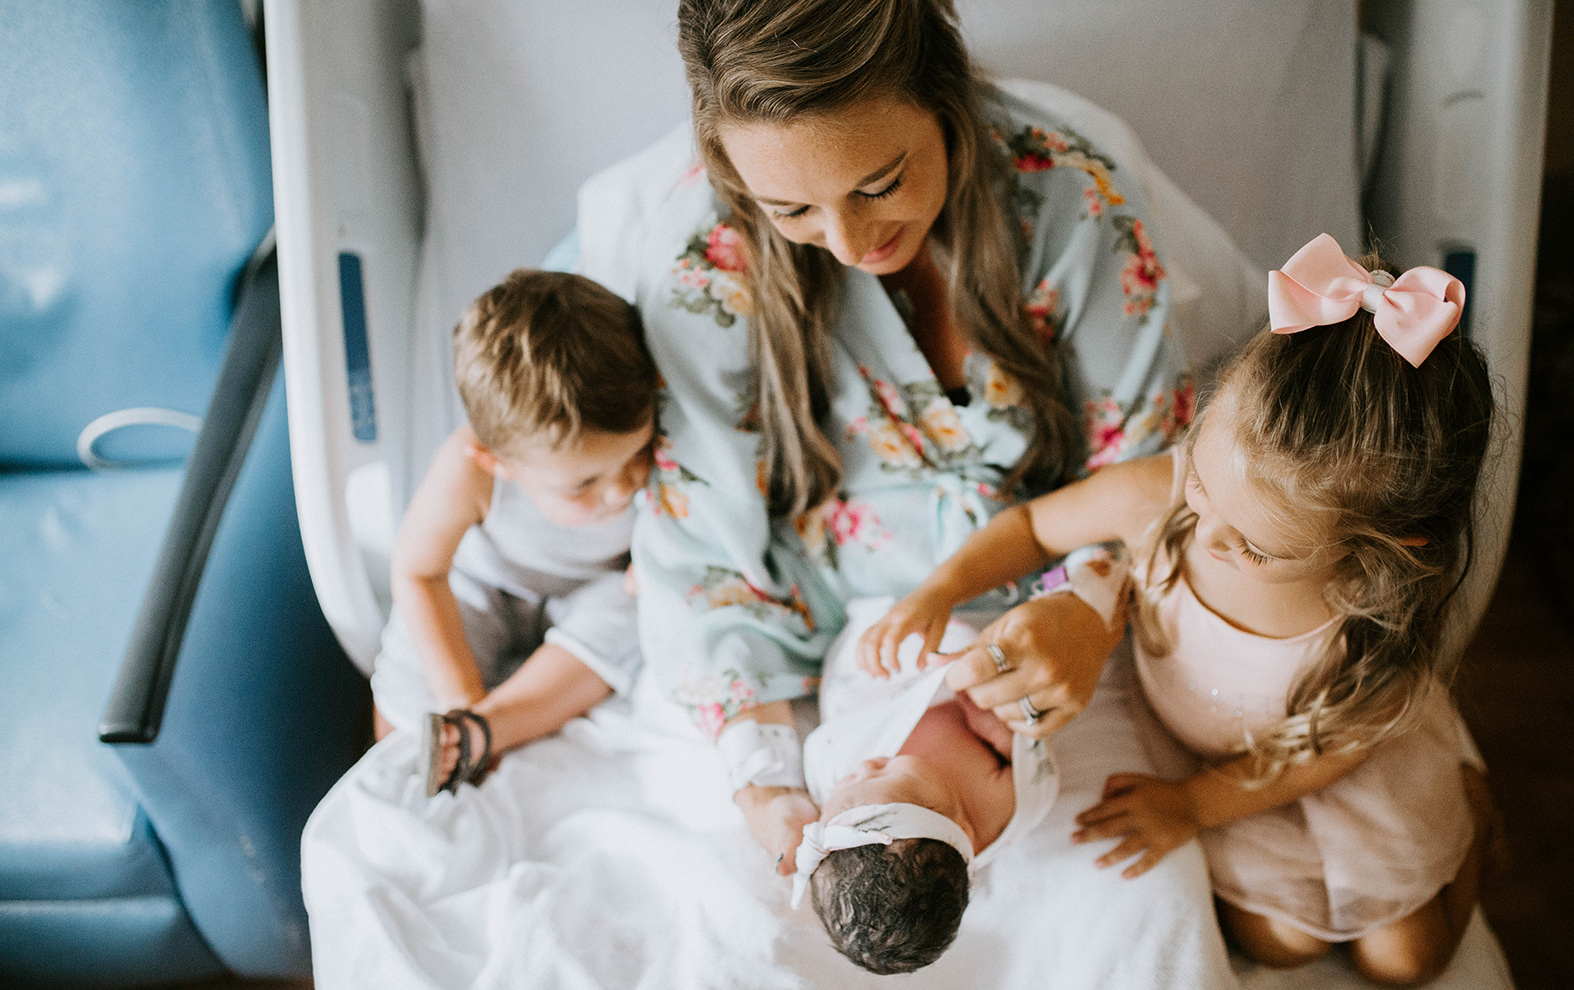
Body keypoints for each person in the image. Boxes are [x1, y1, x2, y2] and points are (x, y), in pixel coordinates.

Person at [621, 0, 1194, 874]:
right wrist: (766, 783)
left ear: (946, 99)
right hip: (822, 608)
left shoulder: (1073, 201)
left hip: (1049, 574)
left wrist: (1092, 603)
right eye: (792, 210)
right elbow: (701, 551)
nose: (848, 243)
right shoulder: (701, 267)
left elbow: (1151, 466)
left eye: (879, 184)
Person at [861, 234, 1498, 987]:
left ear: (1382, 547)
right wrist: (942, 589)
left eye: (1256, 548)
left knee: (1403, 958)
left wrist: (1193, 804)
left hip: (1302, 761)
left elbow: (1322, 757)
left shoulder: (1373, 614)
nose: (1208, 532)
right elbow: (1033, 528)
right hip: (1213, 747)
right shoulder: (1157, 496)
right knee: (1277, 939)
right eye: (1199, 483)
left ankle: (1475, 811)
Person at [372, 269, 657, 796]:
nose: (622, 491)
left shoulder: (652, 443)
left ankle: (494, 727)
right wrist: (459, 694)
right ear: (498, 462)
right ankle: (449, 733)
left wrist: (654, 557)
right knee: (409, 681)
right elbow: (417, 572)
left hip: (588, 594)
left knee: (637, 611)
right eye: (585, 484)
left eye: (638, 454)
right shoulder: (467, 471)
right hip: (488, 587)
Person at [790, 549, 1126, 974]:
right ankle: (1076, 578)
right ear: (960, 827)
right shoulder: (994, 809)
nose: (863, 767)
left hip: (893, 697)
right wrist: (980, 715)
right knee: (1020, 645)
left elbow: (837, 751)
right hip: (957, 679)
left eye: (844, 794)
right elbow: (1023, 750)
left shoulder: (855, 794)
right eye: (884, 772)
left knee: (869, 665)